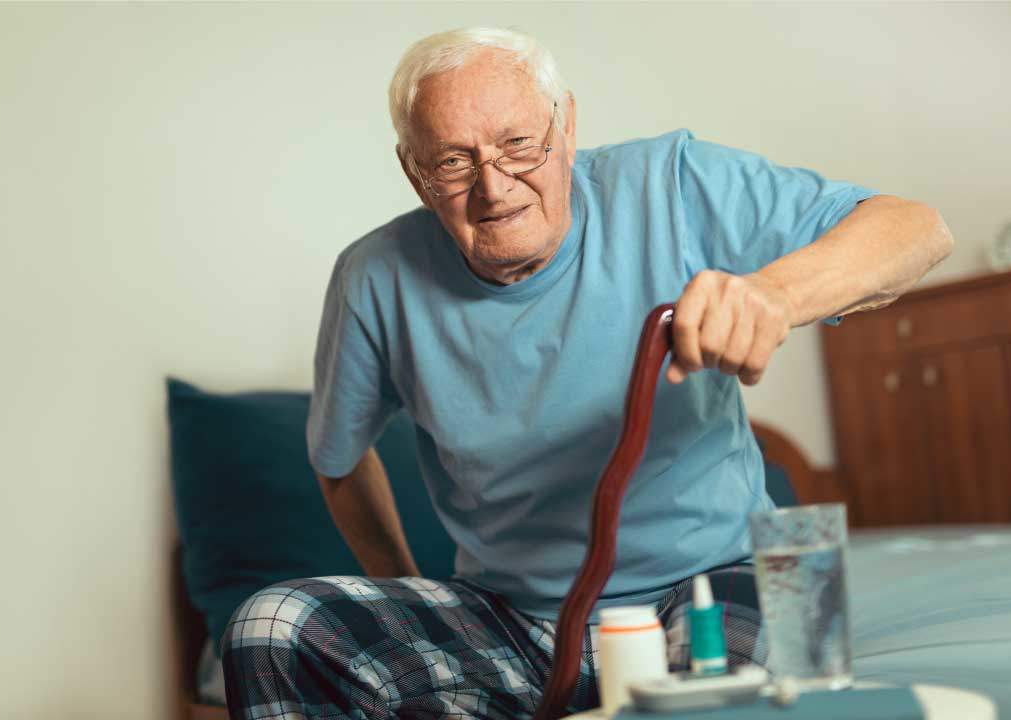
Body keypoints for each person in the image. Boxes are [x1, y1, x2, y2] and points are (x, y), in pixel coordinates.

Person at [221, 27, 952, 720]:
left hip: (708, 589)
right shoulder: (373, 277)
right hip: (509, 620)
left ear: (566, 126)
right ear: (415, 173)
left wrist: (776, 294)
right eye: (453, 161)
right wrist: (406, 587)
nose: (495, 187)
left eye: (519, 145)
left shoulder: (671, 183)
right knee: (272, 625)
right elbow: (340, 465)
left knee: (736, 692)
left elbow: (916, 229)